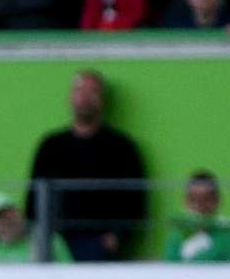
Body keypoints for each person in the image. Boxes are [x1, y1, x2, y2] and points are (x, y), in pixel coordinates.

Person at [26, 69, 144, 263]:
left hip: (101, 247)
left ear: (102, 99)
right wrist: (40, 237)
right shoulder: (50, 146)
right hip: (55, 244)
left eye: (93, 92)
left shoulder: (122, 147)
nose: (85, 98)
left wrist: (117, 237)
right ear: (71, 97)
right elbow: (33, 198)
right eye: (80, 91)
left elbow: (136, 200)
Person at [0, 191, 71, 263]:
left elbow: (68, 275)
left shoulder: (49, 241)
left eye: (11, 214)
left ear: (21, 214)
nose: (7, 221)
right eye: (0, 218)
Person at [166, 171, 230, 263]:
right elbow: (170, 268)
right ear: (185, 202)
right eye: (194, 200)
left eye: (207, 199)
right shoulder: (177, 234)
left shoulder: (225, 234)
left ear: (218, 200)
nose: (200, 206)